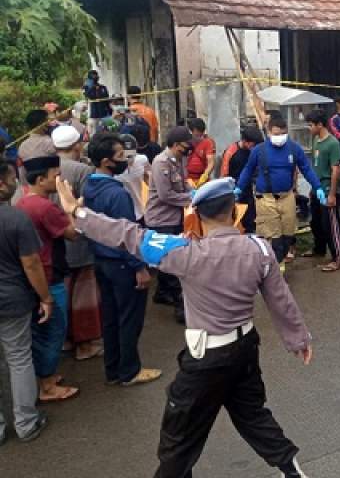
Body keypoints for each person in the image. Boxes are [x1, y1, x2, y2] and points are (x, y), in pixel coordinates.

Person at [56, 176, 313, 478]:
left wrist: (78, 213)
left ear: (196, 214)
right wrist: (298, 339)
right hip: (245, 349)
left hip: (208, 358)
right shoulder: (259, 248)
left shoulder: (183, 252)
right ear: (234, 210)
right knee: (252, 414)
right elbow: (279, 298)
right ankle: (290, 469)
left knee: (179, 434)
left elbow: (129, 235)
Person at [83, 133, 162, 386]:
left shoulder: (89, 186)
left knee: (111, 317)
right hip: (122, 264)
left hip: (101, 261)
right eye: (120, 156)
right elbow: (128, 235)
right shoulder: (117, 194)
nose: (125, 160)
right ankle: (129, 371)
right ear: (106, 161)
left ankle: (113, 369)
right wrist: (140, 267)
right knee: (130, 317)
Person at [16, 156, 80, 400]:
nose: (59, 179)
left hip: (34, 277)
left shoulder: (23, 204)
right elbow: (72, 234)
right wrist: (72, 206)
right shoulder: (46, 207)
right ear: (41, 179)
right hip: (49, 276)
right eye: (55, 174)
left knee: (41, 331)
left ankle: (46, 376)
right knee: (54, 329)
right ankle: (47, 385)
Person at [0, 158, 51, 443]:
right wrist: (46, 298)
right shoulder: (16, 218)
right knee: (19, 358)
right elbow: (32, 263)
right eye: (11, 178)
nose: (15, 184)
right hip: (13, 300)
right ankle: (26, 423)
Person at [237, 116, 322, 264]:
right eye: (276, 134)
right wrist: (238, 188)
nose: (279, 137)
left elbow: (306, 169)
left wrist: (318, 187)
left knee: (287, 235)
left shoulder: (294, 148)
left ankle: (277, 262)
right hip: (266, 198)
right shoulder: (259, 150)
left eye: (282, 134)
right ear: (269, 132)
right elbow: (248, 170)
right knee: (273, 236)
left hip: (287, 197)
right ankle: (274, 269)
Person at [51, 125, 102, 361]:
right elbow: (87, 206)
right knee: (83, 293)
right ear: (77, 145)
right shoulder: (83, 170)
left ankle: (66, 340)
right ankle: (85, 344)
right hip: (79, 240)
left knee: (62, 290)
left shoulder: (45, 167)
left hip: (53, 239)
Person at [145, 126, 194, 323]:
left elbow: (183, 183)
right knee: (172, 261)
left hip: (175, 217)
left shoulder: (179, 159)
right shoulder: (161, 162)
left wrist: (193, 190)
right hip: (161, 218)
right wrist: (190, 199)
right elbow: (166, 195)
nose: (188, 148)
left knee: (168, 257)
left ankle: (162, 293)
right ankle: (179, 306)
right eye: (185, 145)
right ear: (175, 145)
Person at [307, 109, 340, 272]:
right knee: (315, 222)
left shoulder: (333, 143)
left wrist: (331, 194)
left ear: (320, 125)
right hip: (316, 189)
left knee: (330, 225)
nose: (309, 128)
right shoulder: (316, 139)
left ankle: (338, 257)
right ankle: (319, 249)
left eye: (310, 125)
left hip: (327, 188)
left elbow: (335, 170)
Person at [220, 126, 264, 234]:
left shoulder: (254, 152)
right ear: (245, 141)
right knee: (235, 223)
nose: (254, 148)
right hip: (233, 191)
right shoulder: (231, 152)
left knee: (250, 221)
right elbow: (224, 174)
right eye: (253, 145)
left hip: (248, 191)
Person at [118, 133, 151, 222]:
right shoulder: (112, 167)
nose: (129, 159)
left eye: (131, 155)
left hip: (139, 212)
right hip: (120, 216)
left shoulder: (142, 160)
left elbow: (148, 177)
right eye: (125, 156)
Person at [185, 118, 216, 186]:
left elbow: (211, 162)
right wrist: (186, 178)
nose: (199, 137)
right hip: (187, 179)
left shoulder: (208, 142)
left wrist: (205, 176)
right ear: (191, 131)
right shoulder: (185, 142)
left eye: (201, 135)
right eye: (196, 135)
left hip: (202, 178)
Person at [83, 70, 111, 136]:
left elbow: (107, 99)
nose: (95, 78)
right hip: (93, 114)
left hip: (104, 113)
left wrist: (110, 110)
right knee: (94, 133)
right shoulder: (86, 87)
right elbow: (89, 96)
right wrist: (93, 87)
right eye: (93, 76)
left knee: (107, 131)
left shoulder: (103, 87)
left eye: (96, 76)